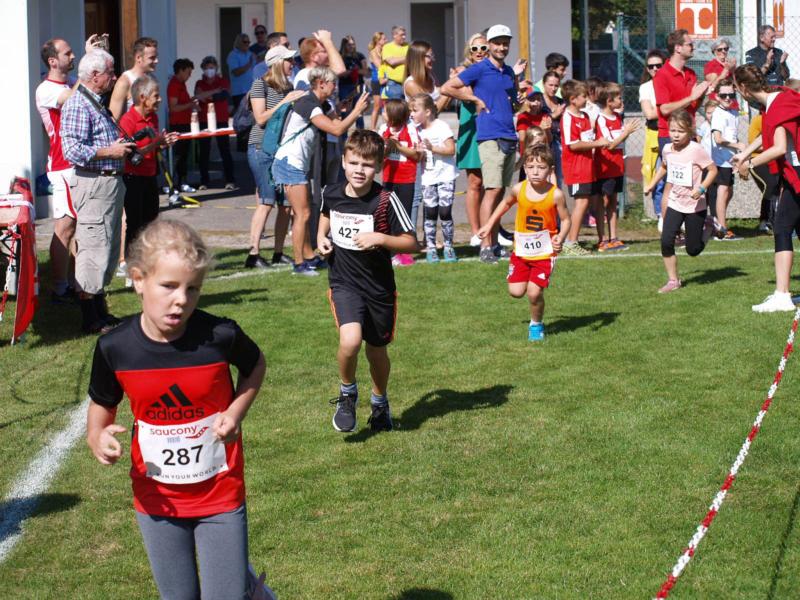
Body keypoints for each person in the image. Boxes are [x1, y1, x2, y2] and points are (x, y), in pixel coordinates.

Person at [85, 219, 268, 600]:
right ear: (138, 280)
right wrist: (97, 437)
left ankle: (239, 583)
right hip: (157, 498)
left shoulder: (219, 336)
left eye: (192, 288)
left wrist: (236, 412)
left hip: (220, 492)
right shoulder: (115, 348)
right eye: (168, 286)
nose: (181, 299)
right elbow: (102, 407)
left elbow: (255, 366)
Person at [316, 130, 418, 433]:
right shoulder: (331, 192)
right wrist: (321, 237)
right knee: (349, 341)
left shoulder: (385, 200)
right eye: (354, 163)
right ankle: (347, 394)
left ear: (379, 166)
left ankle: (379, 402)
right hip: (344, 283)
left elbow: (412, 243)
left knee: (376, 352)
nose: (359, 170)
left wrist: (381, 238)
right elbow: (326, 214)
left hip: (379, 290)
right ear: (343, 162)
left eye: (367, 164)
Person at [60, 49, 137, 333]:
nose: (114, 77)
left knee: (106, 247)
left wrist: (120, 147)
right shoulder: (78, 104)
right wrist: (110, 151)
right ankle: (90, 318)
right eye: (110, 72)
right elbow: (71, 150)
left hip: (107, 183)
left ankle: (100, 312)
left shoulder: (94, 102)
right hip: (94, 184)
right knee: (93, 248)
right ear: (94, 75)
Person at [272, 66, 370, 276]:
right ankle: (299, 264)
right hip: (289, 163)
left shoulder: (321, 104)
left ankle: (309, 256)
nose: (335, 87)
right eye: (333, 83)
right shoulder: (308, 102)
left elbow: (337, 122)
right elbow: (337, 129)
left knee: (304, 211)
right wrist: (356, 111)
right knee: (303, 213)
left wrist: (342, 110)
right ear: (321, 83)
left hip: (297, 163)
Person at [441, 24, 523, 264]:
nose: (502, 47)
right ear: (490, 45)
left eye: (505, 43)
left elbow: (512, 103)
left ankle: (494, 243)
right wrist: (474, 98)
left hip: (508, 135)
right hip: (489, 136)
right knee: (492, 190)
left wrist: (517, 101)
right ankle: (486, 246)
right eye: (497, 43)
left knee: (500, 194)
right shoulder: (479, 68)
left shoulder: (508, 71)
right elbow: (447, 87)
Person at [477, 144, 570, 341]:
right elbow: (505, 203)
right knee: (516, 291)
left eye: (541, 167)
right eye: (531, 167)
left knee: (534, 293)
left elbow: (566, 220)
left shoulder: (556, 194)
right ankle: (530, 285)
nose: (535, 172)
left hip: (544, 252)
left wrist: (560, 237)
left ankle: (536, 324)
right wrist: (489, 224)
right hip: (521, 250)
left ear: (550, 170)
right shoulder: (519, 189)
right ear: (525, 168)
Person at [733, 64, 800, 312]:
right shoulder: (773, 102)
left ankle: (782, 295)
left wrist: (750, 164)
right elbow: (767, 134)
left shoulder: (778, 105)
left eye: (736, 88)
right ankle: (782, 293)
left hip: (798, 173)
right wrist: (744, 154)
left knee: (782, 227)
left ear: (743, 88)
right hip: (794, 173)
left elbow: (779, 148)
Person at [36, 36, 90, 303]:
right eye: (67, 53)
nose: (73, 56)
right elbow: (71, 99)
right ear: (52, 61)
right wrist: (88, 66)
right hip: (63, 166)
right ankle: (59, 289)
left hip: (75, 163)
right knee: (65, 227)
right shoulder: (46, 89)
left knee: (77, 227)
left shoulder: (70, 82)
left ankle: (73, 284)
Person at [245, 45, 306, 269]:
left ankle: (278, 253)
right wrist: (285, 101)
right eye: (289, 60)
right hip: (260, 148)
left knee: (285, 205)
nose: (293, 64)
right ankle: (253, 253)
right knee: (266, 201)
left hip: (280, 150)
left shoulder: (287, 86)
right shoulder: (260, 84)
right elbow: (260, 118)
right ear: (278, 63)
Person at [643, 110, 717, 293]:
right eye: (673, 130)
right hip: (675, 202)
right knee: (666, 241)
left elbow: (712, 170)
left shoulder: (696, 150)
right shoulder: (667, 149)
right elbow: (665, 167)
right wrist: (651, 184)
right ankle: (673, 281)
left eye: (681, 131)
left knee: (693, 250)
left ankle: (709, 226)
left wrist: (701, 189)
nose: (676, 135)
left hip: (695, 205)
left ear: (690, 131)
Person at [119, 76, 179, 270]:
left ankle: (147, 262)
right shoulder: (128, 120)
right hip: (132, 178)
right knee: (135, 223)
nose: (160, 99)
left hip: (150, 176)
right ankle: (131, 265)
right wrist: (156, 143)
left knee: (151, 222)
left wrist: (164, 143)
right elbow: (130, 155)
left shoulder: (153, 117)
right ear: (143, 97)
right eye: (156, 96)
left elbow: (154, 146)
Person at [654, 29, 728, 153]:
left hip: (689, 133)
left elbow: (693, 107)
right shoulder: (662, 75)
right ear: (678, 48)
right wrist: (692, 97)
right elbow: (664, 109)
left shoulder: (691, 73)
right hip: (670, 136)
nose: (693, 47)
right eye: (690, 44)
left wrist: (701, 95)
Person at [560, 79, 609, 255]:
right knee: (581, 203)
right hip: (575, 167)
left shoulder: (585, 116)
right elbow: (573, 145)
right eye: (583, 96)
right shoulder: (568, 117)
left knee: (586, 202)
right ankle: (570, 242)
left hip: (587, 166)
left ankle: (573, 240)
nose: (587, 99)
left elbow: (588, 139)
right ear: (572, 99)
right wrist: (597, 143)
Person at [411, 93, 458, 263]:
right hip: (428, 177)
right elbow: (417, 157)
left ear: (428, 112)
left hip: (446, 175)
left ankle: (448, 246)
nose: (412, 114)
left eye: (415, 110)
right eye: (411, 111)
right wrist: (418, 153)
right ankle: (431, 247)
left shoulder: (441, 126)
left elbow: (451, 150)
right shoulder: (415, 130)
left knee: (445, 212)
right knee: (430, 212)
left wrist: (433, 148)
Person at [594, 82, 639, 251]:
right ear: (609, 101)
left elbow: (618, 142)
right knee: (602, 201)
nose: (622, 101)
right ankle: (602, 239)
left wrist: (624, 133)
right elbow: (610, 145)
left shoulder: (617, 117)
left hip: (617, 166)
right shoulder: (601, 119)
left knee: (613, 201)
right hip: (604, 167)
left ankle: (613, 237)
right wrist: (626, 132)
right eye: (619, 98)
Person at [454, 33, 488, 246]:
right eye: (475, 48)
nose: (479, 52)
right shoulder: (463, 72)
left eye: (483, 48)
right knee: (475, 182)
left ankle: (489, 230)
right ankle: (476, 232)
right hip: (472, 128)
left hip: (491, 126)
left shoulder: (493, 70)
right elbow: (463, 91)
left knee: (491, 183)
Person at [378, 98, 422, 266]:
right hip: (388, 179)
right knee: (386, 215)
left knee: (404, 216)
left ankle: (404, 254)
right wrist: (387, 147)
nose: (382, 113)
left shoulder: (410, 129)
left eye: (385, 111)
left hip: (406, 180)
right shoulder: (383, 129)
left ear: (394, 115)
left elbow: (416, 155)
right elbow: (380, 156)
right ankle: (389, 251)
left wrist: (398, 146)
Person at [193, 56, 235, 191]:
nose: (209, 70)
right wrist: (214, 91)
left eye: (211, 67)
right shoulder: (199, 82)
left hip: (221, 118)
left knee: (225, 150)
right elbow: (198, 96)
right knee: (204, 151)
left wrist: (207, 95)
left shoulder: (223, 81)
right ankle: (204, 181)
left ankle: (230, 180)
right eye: (206, 68)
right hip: (204, 120)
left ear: (216, 68)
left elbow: (221, 96)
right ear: (203, 69)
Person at [709, 79, 744, 240]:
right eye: (724, 95)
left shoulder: (733, 113)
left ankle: (717, 222)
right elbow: (718, 139)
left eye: (731, 95)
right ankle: (721, 230)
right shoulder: (718, 113)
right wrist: (737, 145)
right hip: (721, 161)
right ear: (717, 96)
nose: (728, 98)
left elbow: (732, 136)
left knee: (728, 192)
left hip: (730, 160)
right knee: (723, 192)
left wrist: (737, 154)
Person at [639, 50, 666, 228]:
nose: (655, 69)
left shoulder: (670, 84)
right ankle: (661, 216)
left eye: (658, 65)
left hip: (675, 133)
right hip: (655, 135)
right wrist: (670, 108)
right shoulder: (645, 87)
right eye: (651, 66)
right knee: (659, 178)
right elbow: (649, 114)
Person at [167, 58, 198, 195]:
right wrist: (190, 104)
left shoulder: (181, 84)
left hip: (185, 123)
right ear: (180, 71)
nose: (190, 75)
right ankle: (173, 184)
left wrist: (192, 101)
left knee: (184, 155)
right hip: (178, 125)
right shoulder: (174, 85)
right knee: (178, 156)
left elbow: (183, 102)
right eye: (188, 72)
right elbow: (173, 107)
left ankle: (182, 182)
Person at [109, 37, 158, 120]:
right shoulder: (125, 82)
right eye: (152, 58)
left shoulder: (152, 78)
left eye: (156, 57)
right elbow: (113, 119)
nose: (156, 61)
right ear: (138, 58)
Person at [747, 108, 778, 235]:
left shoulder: (777, 119)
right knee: (770, 185)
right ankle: (765, 221)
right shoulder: (758, 120)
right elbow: (753, 144)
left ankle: (774, 220)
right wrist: (776, 145)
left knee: (777, 188)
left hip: (773, 160)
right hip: (757, 160)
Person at [403, 40, 449, 112]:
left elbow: (445, 105)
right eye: (429, 56)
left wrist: (453, 82)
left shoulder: (431, 77)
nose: (433, 59)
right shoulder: (411, 84)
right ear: (418, 58)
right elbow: (430, 112)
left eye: (432, 55)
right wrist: (449, 89)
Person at [228, 33, 257, 150]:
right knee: (241, 119)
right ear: (239, 42)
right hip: (239, 92)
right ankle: (241, 145)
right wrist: (249, 64)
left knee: (252, 118)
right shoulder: (233, 55)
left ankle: (251, 143)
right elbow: (236, 72)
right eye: (245, 42)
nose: (247, 44)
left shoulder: (251, 54)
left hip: (251, 90)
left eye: (248, 42)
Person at [540, 70, 566, 186]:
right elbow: (536, 122)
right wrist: (554, 115)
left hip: (559, 143)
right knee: (543, 178)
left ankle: (556, 196)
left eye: (556, 85)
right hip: (543, 143)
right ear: (544, 84)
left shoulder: (561, 102)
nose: (553, 88)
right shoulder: (538, 100)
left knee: (557, 178)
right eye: (550, 85)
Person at [339, 35, 368, 129]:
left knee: (359, 110)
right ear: (344, 45)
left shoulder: (360, 56)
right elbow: (338, 72)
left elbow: (365, 71)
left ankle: (360, 132)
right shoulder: (340, 56)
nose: (351, 46)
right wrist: (348, 72)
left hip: (358, 85)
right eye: (349, 45)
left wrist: (356, 71)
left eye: (353, 44)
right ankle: (343, 133)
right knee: (345, 111)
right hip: (345, 86)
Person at [704, 38, 739, 109]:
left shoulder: (730, 64)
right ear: (714, 51)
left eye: (725, 49)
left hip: (731, 101)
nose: (723, 51)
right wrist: (726, 69)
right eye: (719, 49)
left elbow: (736, 84)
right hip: (717, 102)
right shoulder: (710, 65)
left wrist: (733, 70)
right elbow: (712, 85)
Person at [381, 26, 409, 100]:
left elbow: (414, 60)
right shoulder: (387, 47)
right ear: (394, 35)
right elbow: (392, 62)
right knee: (396, 106)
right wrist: (408, 58)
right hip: (394, 84)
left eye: (404, 35)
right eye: (401, 35)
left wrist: (398, 59)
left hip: (408, 82)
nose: (404, 37)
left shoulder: (408, 46)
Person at [368, 31, 387, 130]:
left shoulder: (385, 51)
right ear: (378, 40)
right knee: (377, 106)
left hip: (386, 79)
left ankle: (386, 127)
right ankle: (372, 129)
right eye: (384, 39)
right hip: (376, 81)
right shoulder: (373, 52)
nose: (386, 40)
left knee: (386, 105)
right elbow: (379, 66)